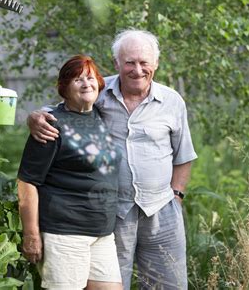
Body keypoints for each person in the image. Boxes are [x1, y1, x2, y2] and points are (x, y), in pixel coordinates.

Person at [28, 30, 197, 289]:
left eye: (144, 62)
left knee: (169, 284)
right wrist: (37, 115)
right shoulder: (99, 92)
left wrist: (176, 195)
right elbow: (66, 108)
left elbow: (183, 156)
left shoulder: (172, 102)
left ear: (156, 64)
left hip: (162, 210)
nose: (137, 70)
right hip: (114, 212)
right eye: (129, 62)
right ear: (117, 64)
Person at [17, 55, 123, 290]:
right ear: (64, 88)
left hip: (102, 233)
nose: (86, 84)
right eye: (77, 80)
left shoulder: (101, 116)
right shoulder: (50, 125)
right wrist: (31, 234)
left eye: (90, 78)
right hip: (64, 232)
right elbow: (27, 182)